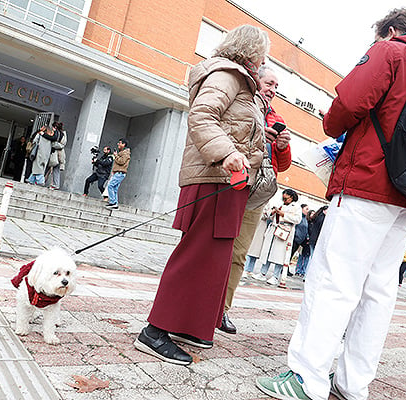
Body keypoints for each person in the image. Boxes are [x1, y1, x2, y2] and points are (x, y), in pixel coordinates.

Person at [255, 9, 406, 400]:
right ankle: (352, 385)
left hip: (368, 182)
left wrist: (332, 121)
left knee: (334, 280)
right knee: (378, 293)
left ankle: (306, 378)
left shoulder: (392, 51)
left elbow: (346, 105)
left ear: (393, 30)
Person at [133, 24, 269, 365]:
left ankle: (186, 326)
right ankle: (154, 331)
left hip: (226, 180)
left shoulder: (241, 82)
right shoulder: (227, 75)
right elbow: (203, 115)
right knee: (196, 254)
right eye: (263, 53)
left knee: (213, 257)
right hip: (215, 176)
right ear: (251, 51)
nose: (265, 60)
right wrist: (226, 152)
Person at [220, 64, 292, 334]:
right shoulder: (242, 104)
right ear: (256, 82)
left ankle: (223, 309)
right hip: (232, 183)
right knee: (217, 246)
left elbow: (282, 166)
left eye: (276, 87)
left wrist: (281, 147)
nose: (273, 90)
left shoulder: (277, 117)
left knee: (239, 254)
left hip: (257, 192)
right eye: (269, 83)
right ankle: (203, 302)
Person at [252, 189, 302, 287]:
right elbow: (271, 217)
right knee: (268, 252)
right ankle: (262, 273)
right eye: (283, 198)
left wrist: (283, 214)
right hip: (274, 229)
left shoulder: (296, 207)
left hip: (284, 231)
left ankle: (275, 276)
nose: (284, 200)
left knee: (280, 255)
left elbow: (297, 219)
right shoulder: (280, 204)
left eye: (286, 198)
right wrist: (274, 212)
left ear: (291, 198)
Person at [105, 139, 130, 209]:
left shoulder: (125, 153)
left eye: (119, 143)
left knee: (110, 186)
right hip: (118, 173)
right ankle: (115, 203)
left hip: (120, 173)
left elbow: (121, 161)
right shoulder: (122, 153)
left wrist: (116, 156)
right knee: (115, 189)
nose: (118, 144)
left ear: (123, 144)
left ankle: (112, 202)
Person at [47, 121, 67, 190]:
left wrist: (44, 135)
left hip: (55, 154)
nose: (52, 129)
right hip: (61, 154)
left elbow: (54, 140)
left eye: (53, 127)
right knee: (56, 170)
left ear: (55, 127)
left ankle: (52, 184)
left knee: (51, 168)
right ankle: (56, 185)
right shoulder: (63, 134)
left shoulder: (57, 133)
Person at [292, 204, 309, 275]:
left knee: (293, 254)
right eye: (306, 209)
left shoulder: (305, 219)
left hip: (300, 240)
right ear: (301, 209)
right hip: (295, 238)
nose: (307, 211)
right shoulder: (299, 217)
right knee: (290, 254)